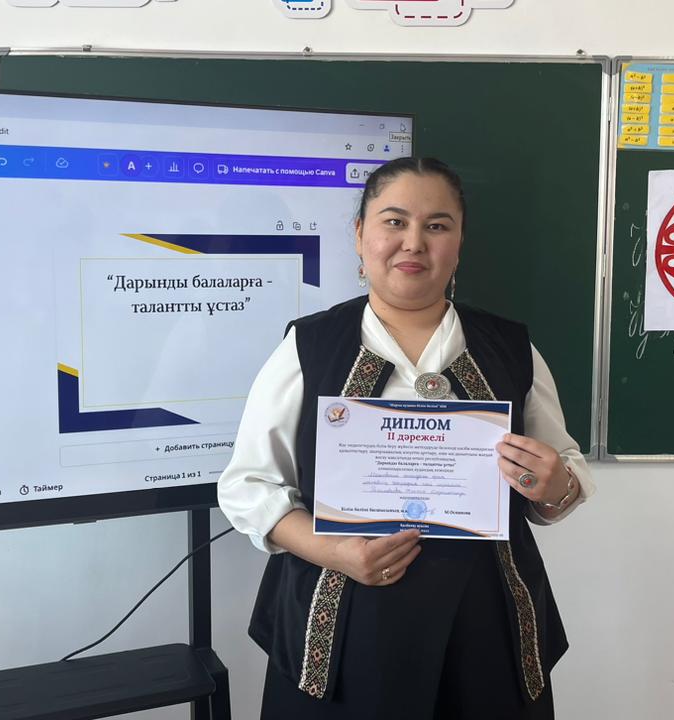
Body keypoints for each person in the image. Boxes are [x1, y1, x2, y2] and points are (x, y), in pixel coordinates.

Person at [217, 157, 595, 719]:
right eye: (394, 221)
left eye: (437, 225)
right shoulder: (310, 347)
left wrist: (554, 484)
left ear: (459, 242)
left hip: (487, 628)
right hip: (341, 630)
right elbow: (248, 486)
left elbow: (561, 473)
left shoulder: (510, 348)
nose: (413, 242)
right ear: (360, 234)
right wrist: (335, 552)